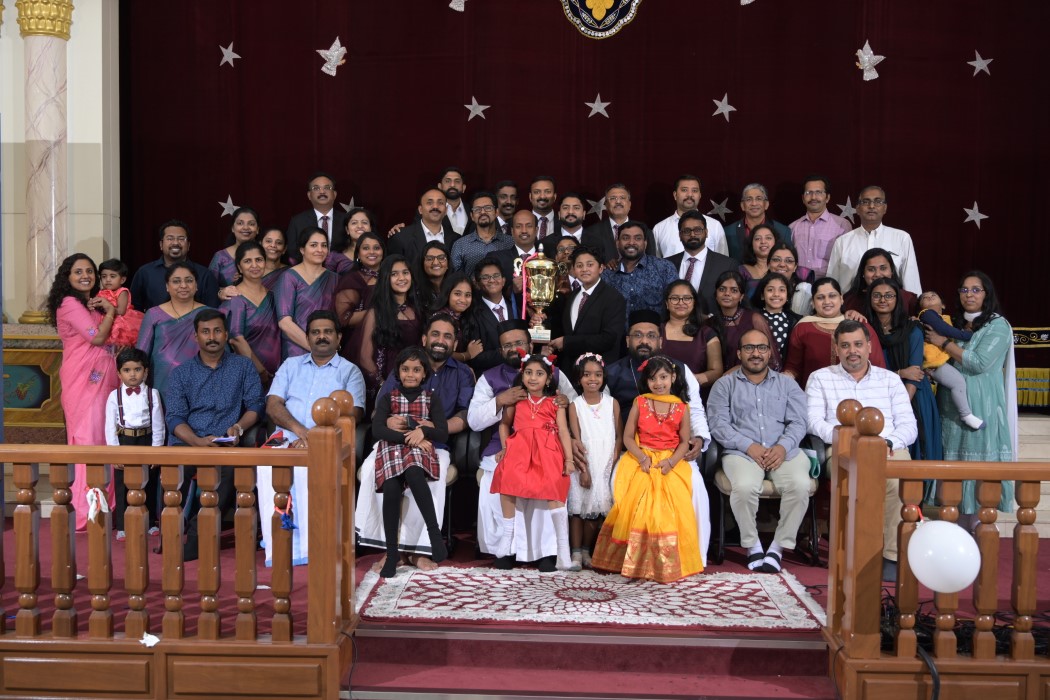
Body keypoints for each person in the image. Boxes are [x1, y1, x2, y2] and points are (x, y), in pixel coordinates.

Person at [356, 313, 475, 569]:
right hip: (393, 442)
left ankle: (419, 550)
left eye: (447, 336)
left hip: (434, 445)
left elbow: (466, 415)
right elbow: (379, 413)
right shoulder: (404, 366)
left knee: (432, 478)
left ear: (455, 344)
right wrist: (388, 421)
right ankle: (392, 550)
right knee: (370, 471)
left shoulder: (463, 373)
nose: (440, 340)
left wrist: (429, 429)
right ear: (424, 338)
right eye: (435, 334)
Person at [805, 320, 916, 581]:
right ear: (837, 349)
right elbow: (812, 421)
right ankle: (853, 551)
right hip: (841, 447)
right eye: (845, 346)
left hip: (888, 448)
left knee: (897, 482)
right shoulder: (820, 378)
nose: (852, 351)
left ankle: (890, 555)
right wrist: (850, 439)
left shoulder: (890, 380)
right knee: (857, 478)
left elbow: (909, 426)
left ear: (869, 347)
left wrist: (887, 443)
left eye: (857, 344)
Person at [603, 310, 712, 565]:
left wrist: (698, 439)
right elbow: (602, 416)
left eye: (651, 335)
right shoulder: (612, 372)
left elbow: (695, 409)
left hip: (675, 451)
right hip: (630, 451)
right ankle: (633, 558)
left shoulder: (680, 369)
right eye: (638, 335)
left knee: (695, 487)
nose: (644, 341)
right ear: (627, 340)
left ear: (660, 340)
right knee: (619, 483)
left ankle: (690, 556)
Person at [467, 320, 578, 566]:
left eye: (518, 342)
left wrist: (565, 402)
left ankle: (546, 552)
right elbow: (474, 421)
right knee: (499, 480)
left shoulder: (553, 373)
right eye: (507, 345)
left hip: (547, 447)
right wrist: (500, 400)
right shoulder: (489, 378)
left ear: (530, 344)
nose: (513, 348)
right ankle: (506, 551)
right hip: (505, 447)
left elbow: (574, 405)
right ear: (500, 350)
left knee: (550, 482)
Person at [261, 310, 366, 567]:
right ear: (307, 338)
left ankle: (311, 545)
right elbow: (273, 405)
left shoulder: (350, 371)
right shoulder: (291, 365)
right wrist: (301, 432)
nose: (321, 337)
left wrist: (317, 438)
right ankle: (277, 541)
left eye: (328, 332)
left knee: (306, 467)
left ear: (339, 337)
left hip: (329, 441)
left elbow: (354, 413)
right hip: (288, 436)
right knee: (265, 466)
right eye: (315, 332)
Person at [708, 329, 812, 574]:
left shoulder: (788, 384)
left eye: (762, 348)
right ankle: (752, 544)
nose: (756, 353)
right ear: (739, 353)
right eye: (749, 348)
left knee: (800, 486)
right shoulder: (724, 385)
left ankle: (777, 548)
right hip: (742, 452)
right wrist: (749, 445)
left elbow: (799, 422)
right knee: (744, 487)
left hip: (784, 451)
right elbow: (718, 424)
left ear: (769, 352)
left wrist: (783, 446)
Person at [164, 309, 264, 561]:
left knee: (231, 471)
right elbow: (174, 417)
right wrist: (196, 442)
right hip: (189, 442)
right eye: (205, 332)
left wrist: (238, 427)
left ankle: (198, 535)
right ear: (195, 336)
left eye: (217, 331)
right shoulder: (181, 373)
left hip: (225, 442)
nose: (212, 337)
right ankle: (171, 534)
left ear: (226, 334)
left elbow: (256, 404)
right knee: (176, 469)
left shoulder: (242, 366)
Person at [591, 355, 701, 583]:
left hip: (669, 460)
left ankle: (663, 564)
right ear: (646, 381)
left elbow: (684, 442)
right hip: (640, 457)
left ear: (673, 377)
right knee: (637, 501)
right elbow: (628, 437)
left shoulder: (682, 407)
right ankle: (634, 562)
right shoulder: (640, 402)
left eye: (663, 377)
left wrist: (671, 462)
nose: (658, 383)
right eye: (652, 379)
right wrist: (641, 458)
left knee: (670, 505)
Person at [924, 272, 1017, 529]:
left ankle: (980, 532)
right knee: (953, 471)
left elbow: (978, 363)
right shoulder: (953, 322)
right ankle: (955, 533)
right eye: (964, 290)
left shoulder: (997, 326)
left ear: (987, 294)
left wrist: (944, 343)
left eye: (976, 290)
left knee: (977, 474)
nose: (969, 295)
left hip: (982, 404)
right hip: (949, 407)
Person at [48, 253, 121, 531]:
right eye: (78, 272)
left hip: (104, 376)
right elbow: (97, 337)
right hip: (83, 379)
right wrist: (111, 312)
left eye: (89, 271)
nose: (85, 276)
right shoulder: (69, 303)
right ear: (67, 277)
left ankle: (106, 507)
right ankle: (84, 511)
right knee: (88, 440)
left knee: (105, 438)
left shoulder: (93, 303)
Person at [491, 352, 578, 572]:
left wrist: (568, 459)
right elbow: (504, 424)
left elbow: (564, 431)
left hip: (547, 451)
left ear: (548, 379)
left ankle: (563, 551)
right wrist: (505, 448)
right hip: (519, 449)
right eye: (528, 372)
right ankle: (507, 534)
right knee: (506, 478)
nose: (533, 377)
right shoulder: (517, 400)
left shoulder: (555, 402)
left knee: (554, 487)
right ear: (522, 375)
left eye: (539, 374)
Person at [370, 347, 450, 577]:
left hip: (418, 448)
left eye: (416, 370)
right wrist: (411, 435)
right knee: (391, 486)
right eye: (405, 369)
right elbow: (378, 429)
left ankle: (434, 534)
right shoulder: (389, 398)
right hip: (394, 446)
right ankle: (392, 553)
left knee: (414, 472)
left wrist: (423, 431)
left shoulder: (431, 399)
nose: (410, 374)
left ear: (424, 373)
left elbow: (443, 432)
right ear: (398, 372)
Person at [104, 348, 165, 540]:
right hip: (125, 441)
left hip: (146, 440)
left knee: (150, 482)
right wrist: (114, 453)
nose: (132, 374)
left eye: (137, 369)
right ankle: (123, 525)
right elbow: (110, 426)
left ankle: (150, 522)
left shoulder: (152, 394)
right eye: (127, 370)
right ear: (119, 373)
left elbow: (158, 424)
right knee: (123, 484)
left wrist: (157, 451)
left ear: (145, 371)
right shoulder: (114, 396)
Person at [566, 353, 620, 569]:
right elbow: (577, 440)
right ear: (579, 378)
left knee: (596, 510)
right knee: (578, 509)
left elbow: (618, 437)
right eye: (587, 374)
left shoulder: (612, 403)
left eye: (597, 374)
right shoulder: (575, 405)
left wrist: (611, 467)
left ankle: (587, 551)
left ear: (603, 377)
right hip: (585, 463)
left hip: (605, 464)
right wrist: (583, 469)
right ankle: (575, 554)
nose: (592, 379)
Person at [782, 277, 885, 389]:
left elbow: (878, 365)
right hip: (816, 392)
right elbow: (793, 367)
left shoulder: (859, 325)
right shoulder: (803, 328)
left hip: (858, 392)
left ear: (841, 298)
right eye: (820, 297)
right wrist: (786, 377)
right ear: (812, 302)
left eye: (832, 296)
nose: (827, 302)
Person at [549, 245, 627, 379]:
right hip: (571, 371)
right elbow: (567, 330)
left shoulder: (613, 298)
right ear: (574, 269)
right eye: (579, 265)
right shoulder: (572, 296)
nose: (584, 269)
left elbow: (609, 339)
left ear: (601, 268)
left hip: (598, 373)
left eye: (590, 265)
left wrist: (567, 342)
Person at [826, 186, 922, 295]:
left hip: (890, 304)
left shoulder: (901, 238)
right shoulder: (842, 242)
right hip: (851, 303)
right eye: (865, 202)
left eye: (878, 201)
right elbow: (832, 283)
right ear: (857, 208)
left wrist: (914, 304)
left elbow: (911, 281)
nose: (871, 206)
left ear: (885, 208)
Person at [358, 254, 423, 408]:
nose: (402, 278)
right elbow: (364, 358)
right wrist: (384, 384)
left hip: (416, 380)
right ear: (386, 278)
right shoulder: (376, 313)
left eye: (405, 272)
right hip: (386, 382)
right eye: (394, 274)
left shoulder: (419, 309)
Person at [136, 262, 211, 396]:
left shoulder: (209, 314)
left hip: (202, 385)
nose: (183, 285)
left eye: (189, 280)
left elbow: (219, 353)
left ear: (196, 285)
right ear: (167, 286)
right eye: (176, 281)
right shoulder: (154, 314)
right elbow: (141, 354)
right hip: (161, 385)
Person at [917, 290, 985, 430]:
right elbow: (945, 330)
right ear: (921, 307)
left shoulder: (945, 318)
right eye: (925, 297)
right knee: (958, 382)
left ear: (943, 305)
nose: (929, 297)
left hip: (940, 361)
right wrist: (967, 335)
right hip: (933, 362)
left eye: (933, 295)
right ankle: (966, 415)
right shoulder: (927, 314)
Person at [220, 241, 281, 387]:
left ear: (265, 262)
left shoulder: (274, 296)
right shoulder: (235, 299)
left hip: (278, 377)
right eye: (247, 261)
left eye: (259, 260)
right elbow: (236, 339)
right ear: (239, 267)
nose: (254, 265)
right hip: (248, 376)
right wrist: (260, 371)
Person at [274, 227, 337, 359]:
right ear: (302, 249)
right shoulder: (289, 277)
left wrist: (327, 349)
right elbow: (285, 322)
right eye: (313, 245)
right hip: (296, 351)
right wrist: (316, 349)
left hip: (328, 350)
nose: (320, 250)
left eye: (324, 245)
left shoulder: (335, 279)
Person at [129, 219, 220, 309]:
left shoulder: (204, 274)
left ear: (188, 245)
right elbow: (134, 309)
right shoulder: (145, 272)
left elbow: (212, 310)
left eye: (181, 239)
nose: (176, 243)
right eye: (170, 238)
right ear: (161, 244)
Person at [601, 220, 679, 324]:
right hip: (617, 334)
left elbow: (677, 304)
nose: (631, 242)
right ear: (617, 243)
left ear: (645, 243)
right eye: (625, 238)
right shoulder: (607, 275)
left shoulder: (664, 268)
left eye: (637, 238)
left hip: (656, 333)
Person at [705, 270, 782, 375]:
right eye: (722, 289)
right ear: (716, 295)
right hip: (715, 381)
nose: (727, 293)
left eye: (734, 290)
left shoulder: (754, 319)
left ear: (741, 296)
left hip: (750, 379)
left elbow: (771, 359)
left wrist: (737, 371)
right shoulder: (709, 323)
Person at [664, 210, 738, 317]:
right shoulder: (666, 264)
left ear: (706, 232)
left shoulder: (727, 265)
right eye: (687, 231)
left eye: (698, 230)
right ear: (680, 235)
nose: (692, 234)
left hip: (713, 324)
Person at [660, 280, 723, 390]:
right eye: (674, 298)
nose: (681, 302)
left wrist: (689, 381)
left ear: (694, 302)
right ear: (666, 303)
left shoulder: (707, 334)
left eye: (687, 298)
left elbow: (716, 372)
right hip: (658, 393)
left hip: (695, 394)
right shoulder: (656, 332)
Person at [788, 176, 851, 278]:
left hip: (829, 284)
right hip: (798, 284)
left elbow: (847, 262)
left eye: (818, 192)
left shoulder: (842, 225)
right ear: (803, 198)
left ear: (827, 197)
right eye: (809, 192)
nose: (813, 197)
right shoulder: (793, 227)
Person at [334, 232, 385, 359]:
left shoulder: (394, 277)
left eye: (376, 248)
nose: (372, 252)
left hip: (391, 341)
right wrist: (380, 313)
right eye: (366, 248)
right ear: (358, 254)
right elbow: (343, 318)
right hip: (358, 343)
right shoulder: (351, 280)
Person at [652, 174, 728, 257]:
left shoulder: (715, 226)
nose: (689, 195)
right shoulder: (659, 229)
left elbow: (723, 261)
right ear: (675, 195)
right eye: (684, 190)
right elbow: (655, 262)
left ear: (700, 195)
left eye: (694, 190)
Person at [580, 184, 657, 265]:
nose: (618, 201)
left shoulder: (646, 231)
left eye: (622, 198)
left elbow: (652, 264)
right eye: (613, 198)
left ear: (629, 204)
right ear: (606, 205)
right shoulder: (590, 233)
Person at [387, 188, 461, 267]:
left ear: (446, 210)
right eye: (429, 203)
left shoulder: (457, 240)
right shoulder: (401, 237)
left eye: (440, 203)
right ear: (420, 209)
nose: (435, 206)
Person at [470, 257, 517, 373]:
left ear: (503, 281)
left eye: (496, 276)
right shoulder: (472, 313)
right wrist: (509, 352)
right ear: (477, 283)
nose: (491, 280)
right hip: (489, 377)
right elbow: (475, 357)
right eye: (485, 277)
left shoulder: (517, 307)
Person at [724, 183, 792, 262]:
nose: (754, 203)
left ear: (766, 204)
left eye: (759, 199)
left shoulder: (783, 231)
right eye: (749, 199)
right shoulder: (727, 232)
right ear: (742, 205)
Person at [450, 191, 513, 275]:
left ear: (496, 212)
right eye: (477, 209)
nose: (483, 212)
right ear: (472, 216)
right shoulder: (460, 245)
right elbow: (455, 277)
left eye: (488, 208)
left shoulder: (510, 242)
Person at [842, 247, 918, 316]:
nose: (878, 274)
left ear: (892, 271)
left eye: (883, 268)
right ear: (863, 273)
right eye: (871, 269)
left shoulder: (908, 299)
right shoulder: (849, 301)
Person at [286, 172, 348, 253]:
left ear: (334, 194)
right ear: (309, 195)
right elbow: (292, 251)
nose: (322, 192)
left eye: (327, 188)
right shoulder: (297, 222)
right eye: (316, 188)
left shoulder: (347, 219)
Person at [209, 206, 261, 300]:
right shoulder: (220, 257)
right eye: (240, 223)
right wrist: (221, 292)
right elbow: (209, 289)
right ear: (233, 228)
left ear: (257, 229)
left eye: (251, 224)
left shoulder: (265, 255)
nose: (245, 227)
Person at [752, 272, 801, 361]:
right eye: (770, 290)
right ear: (762, 295)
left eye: (782, 290)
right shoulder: (752, 318)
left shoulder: (796, 320)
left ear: (787, 296)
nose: (776, 294)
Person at [97, 258, 144, 347]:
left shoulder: (122, 292)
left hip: (120, 325)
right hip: (105, 322)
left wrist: (107, 308)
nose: (108, 279)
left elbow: (121, 311)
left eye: (112, 276)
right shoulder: (100, 292)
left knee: (118, 348)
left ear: (122, 280)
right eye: (104, 276)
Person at [768, 240, 814, 316]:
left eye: (789, 261)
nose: (782, 264)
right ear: (768, 264)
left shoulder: (804, 291)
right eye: (776, 260)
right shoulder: (759, 287)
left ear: (795, 267)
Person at [738, 223, 779, 295]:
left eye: (768, 238)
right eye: (758, 239)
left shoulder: (782, 268)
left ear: (776, 242)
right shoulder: (742, 271)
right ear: (751, 244)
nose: (763, 242)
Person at [414, 240, 451, 312]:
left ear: (448, 264)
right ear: (422, 263)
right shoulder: (415, 292)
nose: (435, 263)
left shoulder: (455, 288)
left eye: (441, 258)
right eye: (430, 259)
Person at [438, 166, 473, 236]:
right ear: (440, 186)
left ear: (463, 188)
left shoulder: (473, 210)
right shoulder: (430, 210)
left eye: (457, 181)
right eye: (447, 181)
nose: (452, 185)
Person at [529, 176, 560, 240]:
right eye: (537, 192)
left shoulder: (563, 223)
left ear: (555, 196)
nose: (542, 196)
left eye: (547, 192)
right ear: (530, 196)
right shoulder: (516, 223)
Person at [259, 226, 289, 291]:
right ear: (260, 245)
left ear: (284, 249)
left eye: (279, 243)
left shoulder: (290, 273)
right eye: (268, 241)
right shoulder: (250, 270)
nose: (273, 245)